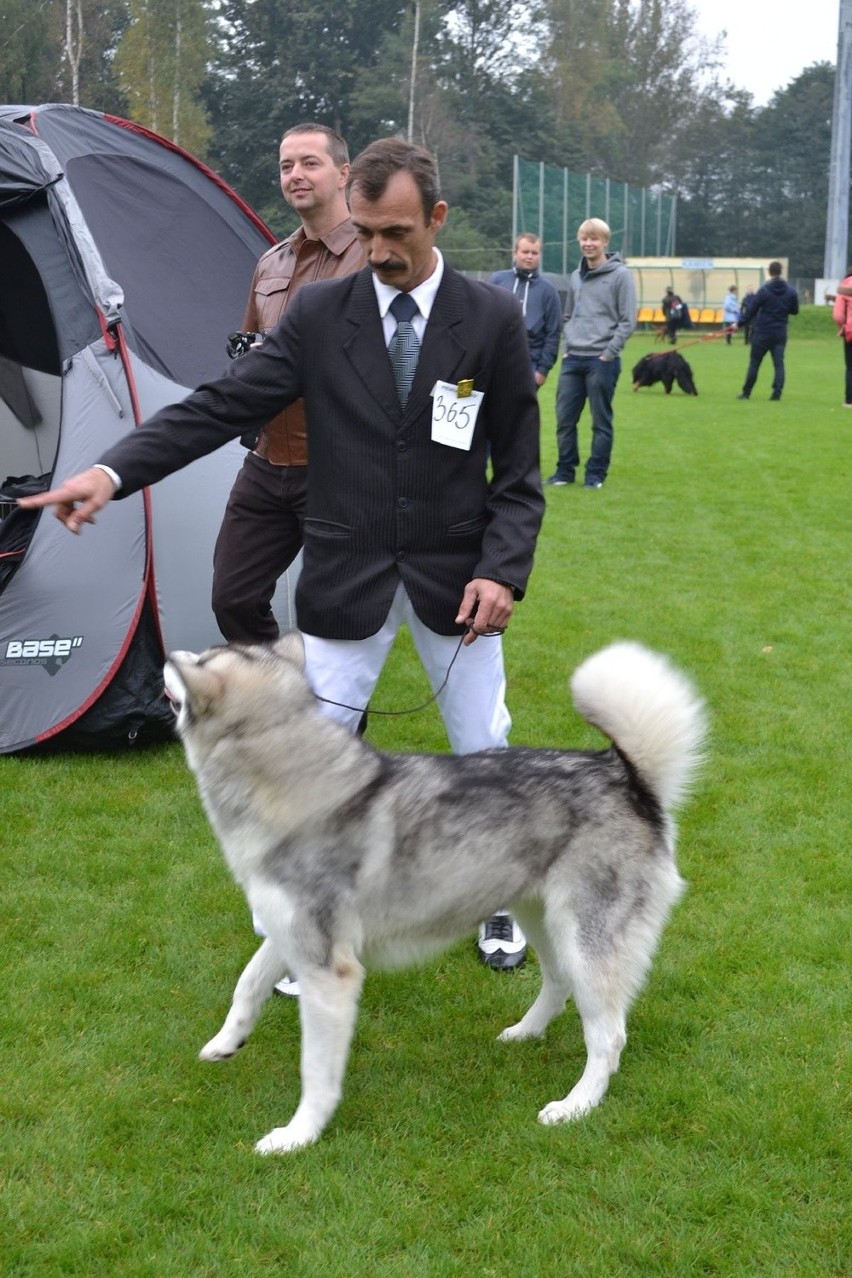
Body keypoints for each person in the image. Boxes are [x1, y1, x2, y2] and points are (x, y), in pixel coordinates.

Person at [19, 137, 545, 975]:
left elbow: (518, 471)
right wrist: (113, 469)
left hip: (457, 575)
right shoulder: (319, 315)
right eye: (367, 232)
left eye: (397, 233)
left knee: (482, 745)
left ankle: (495, 904)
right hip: (348, 572)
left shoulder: (490, 320)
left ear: (438, 218)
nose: (377, 252)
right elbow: (222, 405)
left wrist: (500, 569)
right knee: (317, 759)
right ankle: (309, 931)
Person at [212, 123, 365, 644]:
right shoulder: (269, 262)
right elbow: (251, 357)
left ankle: (342, 725)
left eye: (309, 162)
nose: (295, 175)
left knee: (334, 613)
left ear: (344, 173)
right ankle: (277, 707)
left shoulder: (373, 258)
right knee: (233, 597)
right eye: (286, 165)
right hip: (265, 464)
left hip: (336, 468)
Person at [546, 218, 636, 489]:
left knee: (600, 422)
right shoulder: (575, 276)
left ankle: (595, 475)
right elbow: (569, 313)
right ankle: (564, 471)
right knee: (564, 420)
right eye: (584, 238)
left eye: (594, 238)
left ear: (605, 242)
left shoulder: (621, 275)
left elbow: (627, 320)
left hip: (601, 361)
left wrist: (608, 353)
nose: (588, 243)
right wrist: (567, 348)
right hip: (573, 358)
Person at [488, 233, 561, 388]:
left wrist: (542, 371)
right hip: (495, 360)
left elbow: (553, 332)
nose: (529, 257)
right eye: (525, 252)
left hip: (529, 363)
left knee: (519, 411)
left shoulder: (548, 291)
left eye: (534, 253)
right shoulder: (497, 280)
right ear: (515, 253)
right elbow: (483, 319)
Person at [736, 262, 799, 401]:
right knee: (779, 364)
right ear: (780, 272)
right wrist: (783, 308)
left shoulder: (764, 290)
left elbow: (751, 310)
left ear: (769, 272)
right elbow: (795, 311)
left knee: (755, 363)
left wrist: (739, 323)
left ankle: (746, 393)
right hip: (780, 332)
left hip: (762, 332)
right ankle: (776, 393)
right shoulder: (790, 291)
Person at [830, 268, 852, 407]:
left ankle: (849, 400)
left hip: (850, 331)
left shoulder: (844, 286)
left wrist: (842, 326)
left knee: (850, 367)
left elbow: (838, 315)